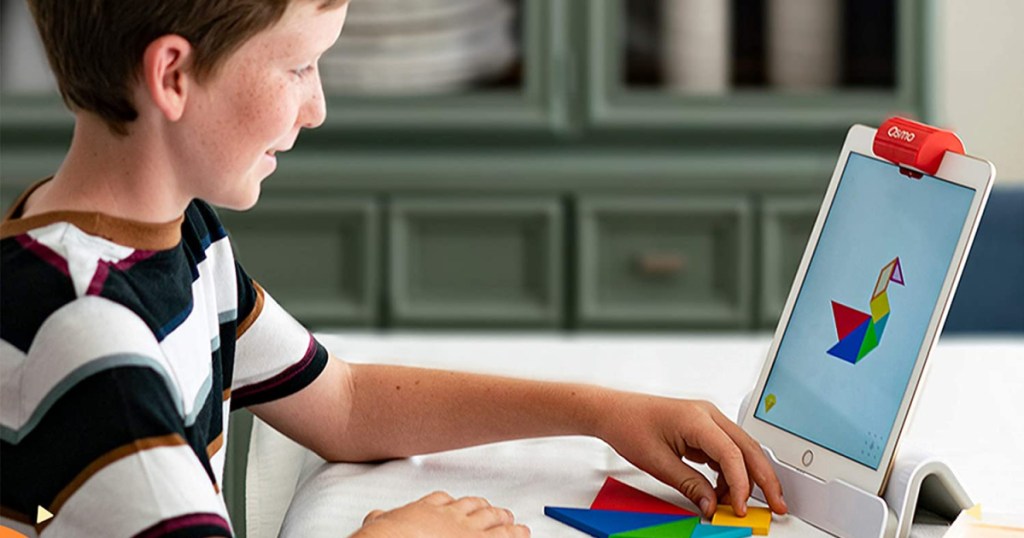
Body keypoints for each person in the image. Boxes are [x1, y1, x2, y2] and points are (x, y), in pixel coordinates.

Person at [0, 0, 787, 536]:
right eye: (298, 68)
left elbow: (341, 403)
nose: (317, 108)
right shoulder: (97, 339)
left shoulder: (171, 240)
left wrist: (601, 411)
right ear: (173, 75)